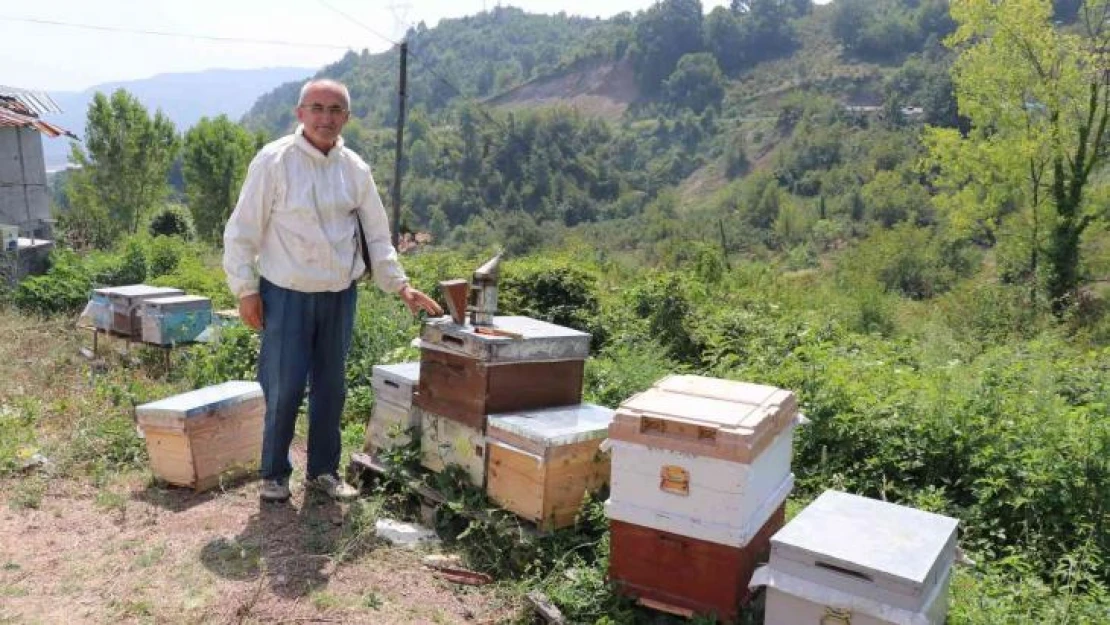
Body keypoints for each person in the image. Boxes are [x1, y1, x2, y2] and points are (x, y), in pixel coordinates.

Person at [223, 79, 442, 503]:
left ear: (347, 118)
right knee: (284, 385)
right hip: (285, 294)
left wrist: (400, 285)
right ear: (300, 113)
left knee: (331, 386)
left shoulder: (354, 169)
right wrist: (245, 289)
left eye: (335, 110)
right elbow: (242, 230)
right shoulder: (274, 161)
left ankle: (322, 470)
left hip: (340, 296)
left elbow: (378, 235)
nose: (326, 118)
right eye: (318, 108)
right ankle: (274, 473)